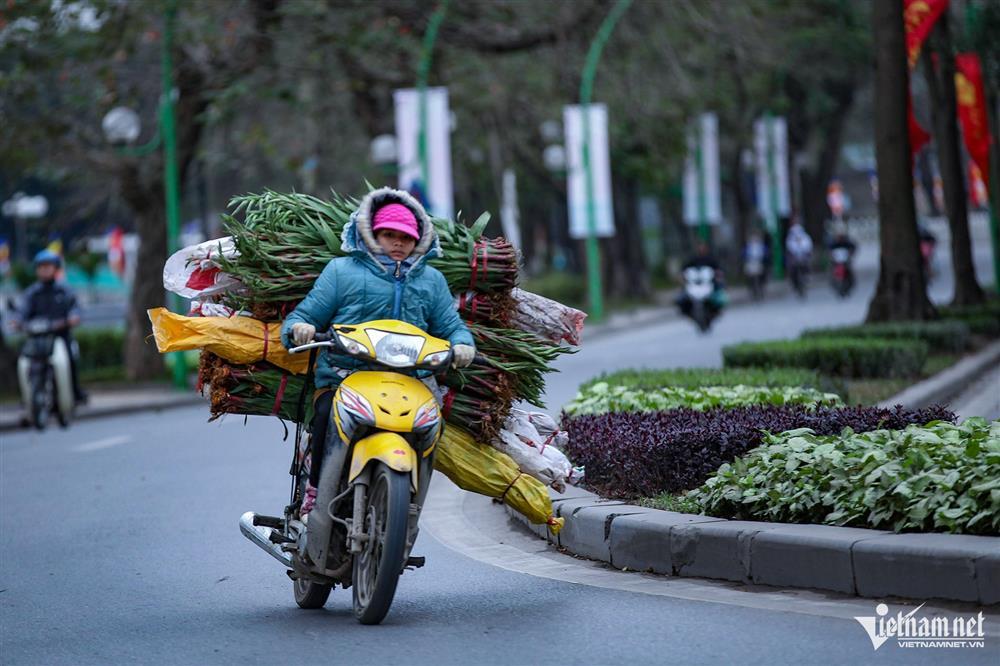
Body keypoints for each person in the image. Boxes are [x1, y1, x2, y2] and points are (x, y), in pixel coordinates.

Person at [280, 187, 475, 517]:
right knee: (326, 414)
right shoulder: (341, 273)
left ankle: (408, 505)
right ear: (372, 234)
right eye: (389, 235)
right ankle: (315, 490)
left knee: (430, 428)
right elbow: (302, 317)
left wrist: (462, 344)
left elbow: (451, 325)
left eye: (406, 237)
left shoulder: (432, 281)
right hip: (344, 378)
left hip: (410, 382)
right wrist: (300, 329)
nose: (398, 243)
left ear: (419, 240)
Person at [17, 249, 87, 404]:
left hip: (60, 336)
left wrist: (73, 318)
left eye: (48, 266)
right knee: (24, 361)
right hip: (37, 337)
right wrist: (18, 322)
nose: (45, 270)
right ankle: (27, 396)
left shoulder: (64, 290)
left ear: (55, 268)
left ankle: (75, 392)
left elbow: (74, 308)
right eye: (41, 266)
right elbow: (22, 312)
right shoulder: (31, 293)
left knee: (70, 359)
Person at [676, 241, 726, 321]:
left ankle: (717, 310)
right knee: (682, 295)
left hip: (708, 282)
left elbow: (719, 270)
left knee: (719, 290)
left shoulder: (711, 259)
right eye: (700, 248)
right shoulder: (693, 259)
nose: (701, 249)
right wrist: (681, 276)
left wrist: (719, 275)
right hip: (695, 282)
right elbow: (683, 269)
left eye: (703, 248)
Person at [785, 221, 813, 296]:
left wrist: (806, 255)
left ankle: (807, 277)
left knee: (807, 264)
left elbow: (808, 248)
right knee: (791, 268)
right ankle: (793, 283)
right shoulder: (790, 240)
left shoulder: (806, 239)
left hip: (804, 257)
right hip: (795, 259)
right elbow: (789, 250)